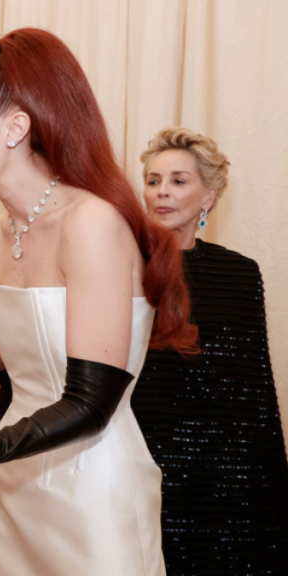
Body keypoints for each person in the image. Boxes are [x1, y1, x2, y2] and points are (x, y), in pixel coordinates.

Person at [0, 29, 197, 576]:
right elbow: (16, 383)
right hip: (16, 481)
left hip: (95, 488)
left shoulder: (92, 223)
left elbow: (89, 405)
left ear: (16, 126)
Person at [131, 127, 288, 575]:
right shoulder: (122, 263)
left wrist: (268, 478)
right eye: (153, 180)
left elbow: (255, 387)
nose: (162, 192)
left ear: (209, 196)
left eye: (179, 181)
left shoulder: (240, 273)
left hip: (226, 468)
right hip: (146, 455)